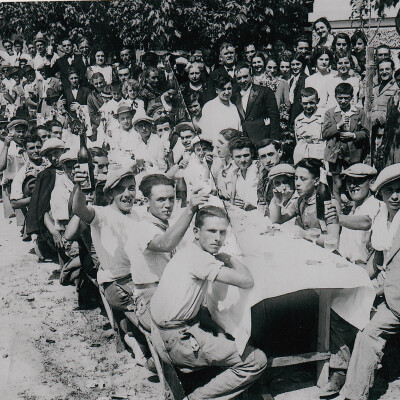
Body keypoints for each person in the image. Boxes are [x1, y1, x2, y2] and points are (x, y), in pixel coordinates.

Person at [150, 205, 267, 400]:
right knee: (256, 360)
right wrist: (229, 258)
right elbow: (247, 281)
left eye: (222, 233)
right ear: (196, 232)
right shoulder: (201, 259)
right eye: (211, 231)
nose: (218, 238)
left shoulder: (187, 251)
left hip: (161, 333)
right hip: (176, 342)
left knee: (221, 330)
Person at [337, 164, 400, 400]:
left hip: (397, 296)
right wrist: (359, 279)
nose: (395, 196)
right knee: (346, 299)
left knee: (368, 333)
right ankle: (341, 372)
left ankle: (355, 394)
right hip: (389, 286)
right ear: (381, 194)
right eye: (389, 191)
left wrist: (375, 290)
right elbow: (379, 258)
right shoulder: (385, 218)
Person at [124, 174, 209, 331]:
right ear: (146, 201)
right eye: (161, 199)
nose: (168, 205)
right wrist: (190, 210)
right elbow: (166, 244)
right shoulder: (143, 227)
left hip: (167, 293)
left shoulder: (159, 224)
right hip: (150, 300)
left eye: (171, 199)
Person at [270, 158, 340, 246]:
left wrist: (305, 234)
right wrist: (278, 201)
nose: (297, 183)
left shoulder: (329, 203)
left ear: (316, 181)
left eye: (302, 179)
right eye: (296, 178)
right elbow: (277, 220)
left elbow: (333, 240)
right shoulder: (301, 201)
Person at [325, 164, 381, 266]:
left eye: (358, 181)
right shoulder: (354, 209)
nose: (352, 185)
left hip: (361, 271)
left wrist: (338, 218)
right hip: (344, 266)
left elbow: (366, 222)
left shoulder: (376, 205)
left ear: (372, 182)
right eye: (349, 181)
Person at [323, 82, 370, 203]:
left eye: (346, 98)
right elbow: (325, 134)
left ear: (351, 97)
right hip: (335, 153)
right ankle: (338, 210)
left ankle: (356, 206)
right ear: (335, 97)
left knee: (354, 180)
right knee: (337, 183)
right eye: (340, 98)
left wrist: (353, 135)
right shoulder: (330, 113)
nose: (343, 101)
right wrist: (338, 125)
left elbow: (366, 133)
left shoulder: (359, 112)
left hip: (353, 152)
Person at [233, 62, 280, 144]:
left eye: (245, 77)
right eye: (239, 78)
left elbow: (274, 116)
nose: (242, 80)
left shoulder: (265, 91)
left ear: (251, 76)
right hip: (244, 141)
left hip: (262, 138)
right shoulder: (234, 96)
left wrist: (274, 139)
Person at [10, 133, 49, 212]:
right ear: (25, 150)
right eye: (31, 148)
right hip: (37, 213)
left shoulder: (50, 165)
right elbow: (14, 203)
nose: (36, 151)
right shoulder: (22, 173)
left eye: (38, 147)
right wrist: (36, 198)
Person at [200, 75, 241, 144]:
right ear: (217, 90)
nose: (227, 92)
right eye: (223, 89)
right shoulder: (209, 106)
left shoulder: (234, 107)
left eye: (229, 88)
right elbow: (206, 132)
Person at [293, 87, 325, 165]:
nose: (308, 106)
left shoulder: (324, 115)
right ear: (300, 102)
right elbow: (297, 141)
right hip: (302, 155)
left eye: (311, 103)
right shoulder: (298, 120)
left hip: (319, 154)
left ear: (318, 100)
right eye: (305, 103)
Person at [371, 58, 397, 153]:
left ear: (393, 70)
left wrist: (379, 121)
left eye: (387, 69)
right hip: (373, 130)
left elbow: (396, 109)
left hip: (387, 129)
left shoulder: (396, 87)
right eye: (381, 70)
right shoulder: (375, 88)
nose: (384, 72)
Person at [228, 135, 258, 210]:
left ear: (252, 154)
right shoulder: (234, 173)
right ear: (232, 157)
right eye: (238, 156)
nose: (242, 160)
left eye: (246, 155)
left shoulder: (258, 169)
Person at [213, 128, 242, 200]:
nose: (217, 145)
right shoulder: (218, 164)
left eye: (221, 143)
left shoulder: (239, 166)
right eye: (218, 142)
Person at [256, 139, 283, 211]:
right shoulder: (264, 176)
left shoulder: (288, 173)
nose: (268, 160)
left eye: (271, 154)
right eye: (263, 157)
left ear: (280, 152)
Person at [288, 53, 308, 125]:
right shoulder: (292, 80)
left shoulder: (306, 79)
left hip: (300, 113)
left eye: (298, 64)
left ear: (302, 65)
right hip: (292, 113)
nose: (295, 67)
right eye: (293, 64)